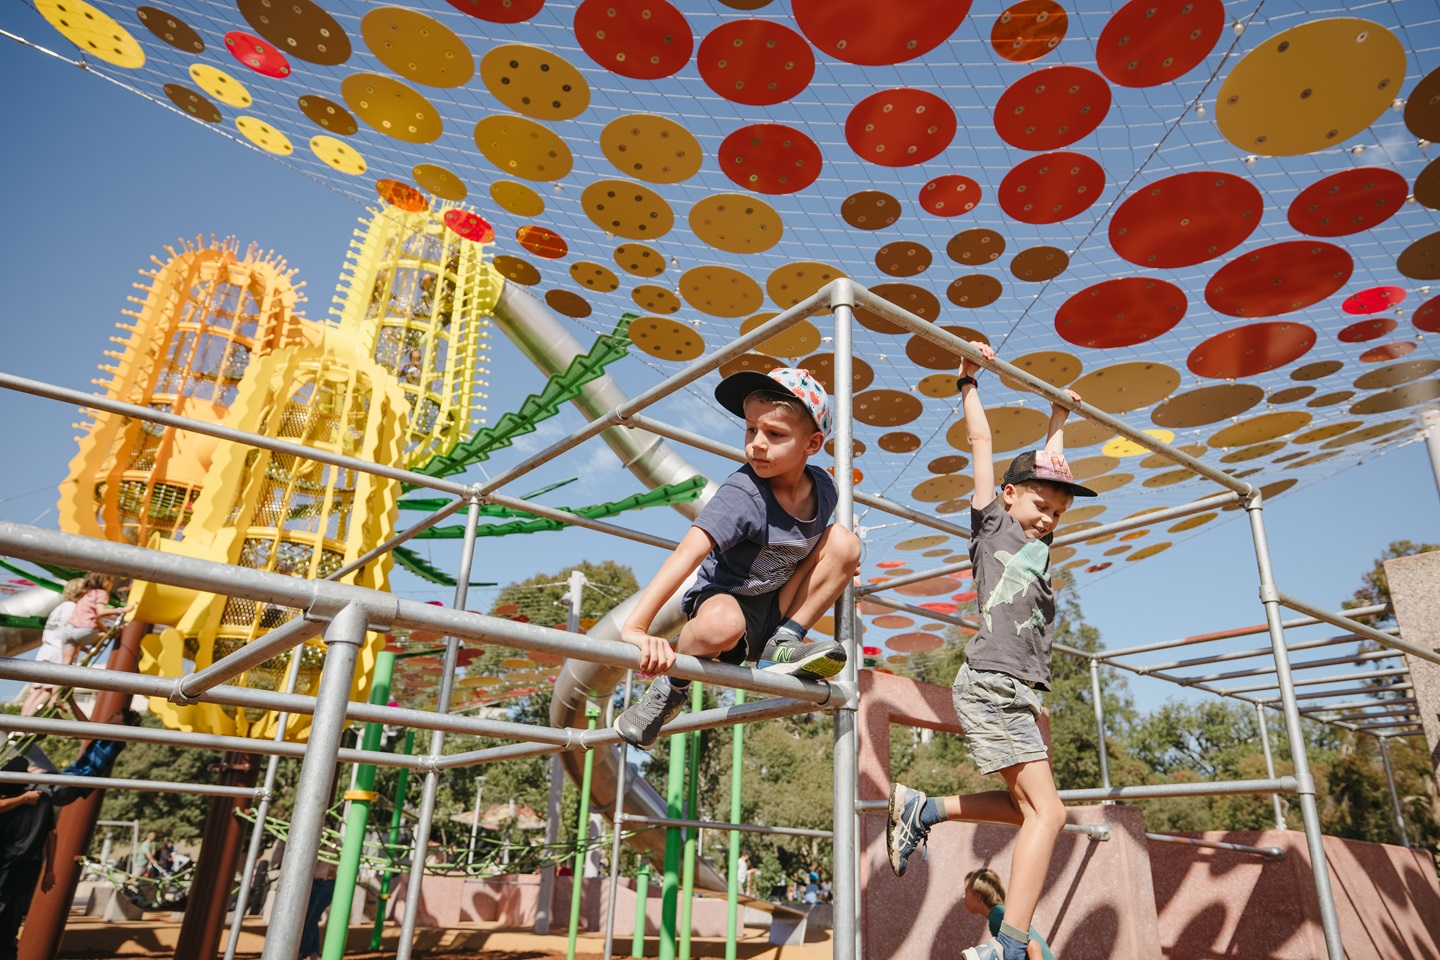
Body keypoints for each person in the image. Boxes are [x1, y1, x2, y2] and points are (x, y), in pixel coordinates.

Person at [886, 342, 1093, 960]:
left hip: (1019, 690)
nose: (1048, 518)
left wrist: (1059, 420)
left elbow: (1049, 467)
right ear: (1007, 496)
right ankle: (1006, 944)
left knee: (1026, 808)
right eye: (1038, 505)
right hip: (993, 680)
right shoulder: (991, 526)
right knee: (1049, 816)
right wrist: (968, 381)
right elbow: (982, 448)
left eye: (1057, 511)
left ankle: (925, 809)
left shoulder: (1039, 544)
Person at [612, 367, 861, 749]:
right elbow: (686, 554)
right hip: (725, 601)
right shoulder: (743, 493)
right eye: (751, 429)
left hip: (777, 605)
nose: (757, 444)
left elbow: (817, 551)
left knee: (846, 543)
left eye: (774, 434)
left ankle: (784, 642)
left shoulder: (824, 489)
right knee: (721, 625)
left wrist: (840, 570)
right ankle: (670, 688)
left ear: (812, 445)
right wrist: (638, 628)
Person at [0, 757, 56, 960]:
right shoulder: (42, 799)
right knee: (10, 928)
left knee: (7, 926)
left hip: (6, 871)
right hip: (27, 874)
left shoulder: (14, 800)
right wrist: (50, 869)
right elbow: (52, 835)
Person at [20, 579, 85, 717]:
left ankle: (22, 720)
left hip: (46, 649)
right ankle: (29, 721)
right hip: (58, 650)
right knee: (47, 691)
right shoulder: (74, 608)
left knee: (37, 690)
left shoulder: (59, 608)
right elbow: (71, 632)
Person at [963, 868, 1055, 960]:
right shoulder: (1000, 913)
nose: (963, 897)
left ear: (977, 896)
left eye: (966, 891)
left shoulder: (997, 916)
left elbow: (1033, 946)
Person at [298, 857, 337, 960]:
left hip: (326, 884)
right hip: (314, 882)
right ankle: (314, 951)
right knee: (309, 918)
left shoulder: (335, 846)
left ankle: (303, 951)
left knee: (312, 919)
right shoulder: (320, 845)